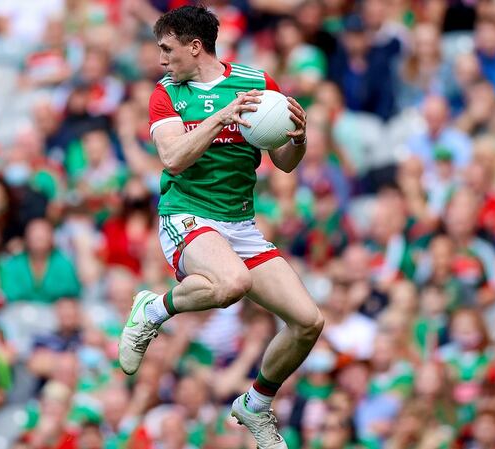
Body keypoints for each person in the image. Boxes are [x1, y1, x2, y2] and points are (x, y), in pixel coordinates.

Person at [117, 6, 323, 449]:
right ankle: (152, 310)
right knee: (232, 283)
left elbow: (283, 164)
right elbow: (172, 157)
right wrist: (221, 117)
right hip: (187, 214)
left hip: (240, 223)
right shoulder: (165, 92)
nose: (161, 60)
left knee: (308, 322)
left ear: (196, 47)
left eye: (167, 49)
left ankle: (255, 404)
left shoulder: (257, 83)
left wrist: (298, 138)